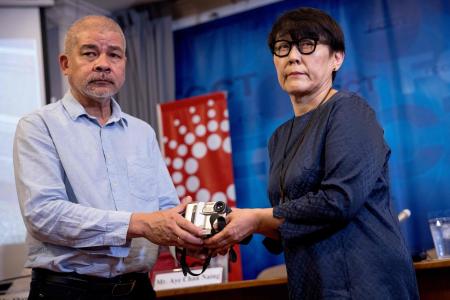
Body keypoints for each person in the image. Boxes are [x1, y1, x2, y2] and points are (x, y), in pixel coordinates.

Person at [204, 7, 419, 299]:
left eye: (307, 45)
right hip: (311, 285)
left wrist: (255, 218)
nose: (293, 56)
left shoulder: (349, 110)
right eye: (283, 47)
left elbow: (339, 201)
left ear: (336, 58)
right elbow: (292, 219)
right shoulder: (279, 138)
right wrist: (237, 227)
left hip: (365, 283)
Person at [13, 15, 204, 300]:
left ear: (124, 65)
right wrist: (139, 224)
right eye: (90, 53)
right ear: (65, 64)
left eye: (114, 54)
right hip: (67, 291)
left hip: (138, 289)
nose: (103, 63)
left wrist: (190, 239)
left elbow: (165, 208)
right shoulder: (38, 126)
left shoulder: (142, 132)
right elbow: (44, 214)